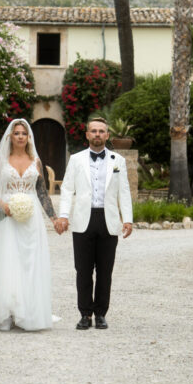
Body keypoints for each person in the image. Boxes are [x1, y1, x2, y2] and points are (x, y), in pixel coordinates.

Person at [0, 119, 64, 331]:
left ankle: (28, 310)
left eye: (24, 133)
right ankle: (6, 311)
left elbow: (41, 192)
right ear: (10, 137)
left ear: (28, 137)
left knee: (29, 262)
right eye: (17, 133)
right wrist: (4, 205)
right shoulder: (2, 161)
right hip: (7, 216)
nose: (21, 136)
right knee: (8, 260)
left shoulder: (36, 161)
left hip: (31, 219)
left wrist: (53, 218)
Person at [55, 117, 133, 330]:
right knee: (83, 270)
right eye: (94, 131)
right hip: (83, 220)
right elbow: (67, 189)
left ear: (107, 135)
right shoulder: (76, 159)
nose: (97, 134)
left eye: (101, 131)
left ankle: (100, 314)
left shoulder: (119, 161)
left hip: (108, 221)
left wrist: (127, 219)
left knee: (105, 271)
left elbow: (123, 191)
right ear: (87, 134)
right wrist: (63, 215)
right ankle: (84, 314)